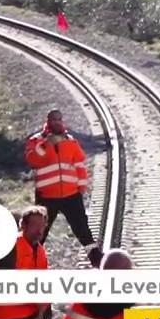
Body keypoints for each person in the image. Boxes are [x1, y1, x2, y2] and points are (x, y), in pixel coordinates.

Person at [24, 109, 101, 265]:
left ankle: (96, 259)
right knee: (39, 232)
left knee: (82, 229)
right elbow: (32, 160)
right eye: (53, 119)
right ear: (47, 121)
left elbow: (79, 164)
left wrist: (82, 186)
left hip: (71, 195)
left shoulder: (70, 141)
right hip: (47, 196)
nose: (56, 122)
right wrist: (46, 145)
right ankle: (29, 261)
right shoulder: (36, 141)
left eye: (59, 119)